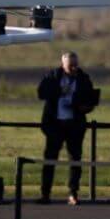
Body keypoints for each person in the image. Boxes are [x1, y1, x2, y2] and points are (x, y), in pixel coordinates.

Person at [36, 51, 98, 205]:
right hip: (55, 125)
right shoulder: (53, 76)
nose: (74, 68)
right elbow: (41, 92)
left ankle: (73, 192)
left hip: (75, 124)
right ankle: (45, 193)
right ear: (63, 64)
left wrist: (86, 107)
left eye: (76, 65)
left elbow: (91, 98)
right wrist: (58, 92)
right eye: (71, 65)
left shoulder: (83, 78)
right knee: (50, 159)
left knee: (75, 159)